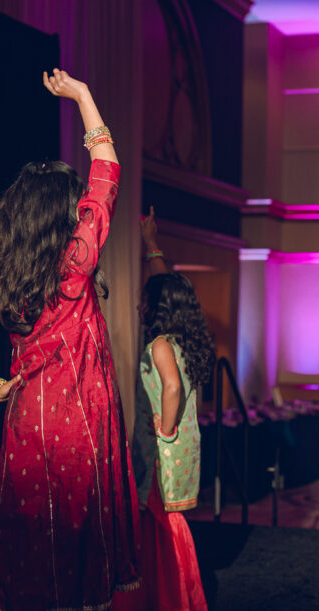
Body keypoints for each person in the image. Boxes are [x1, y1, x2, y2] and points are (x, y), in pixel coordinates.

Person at [0, 69, 139, 610]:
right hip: (83, 418)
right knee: (79, 533)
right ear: (66, 212)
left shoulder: (0, 272)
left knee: (30, 530)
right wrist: (84, 96)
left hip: (30, 418)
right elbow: (106, 173)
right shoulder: (77, 259)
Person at [115, 211, 212, 611]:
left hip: (161, 453)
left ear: (156, 306)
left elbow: (171, 386)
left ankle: (172, 599)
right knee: (160, 524)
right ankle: (164, 597)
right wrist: (151, 245)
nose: (140, 304)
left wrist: (165, 430)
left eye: (145, 299)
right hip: (178, 450)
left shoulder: (159, 344)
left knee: (161, 524)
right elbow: (165, 286)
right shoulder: (180, 340)